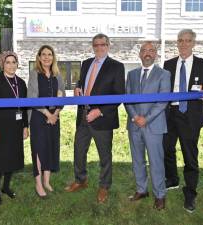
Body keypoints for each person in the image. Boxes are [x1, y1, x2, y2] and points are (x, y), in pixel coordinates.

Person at [64, 33, 125, 203]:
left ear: (108, 46)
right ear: (93, 46)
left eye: (102, 45)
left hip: (102, 118)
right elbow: (82, 83)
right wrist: (77, 88)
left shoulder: (117, 67)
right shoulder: (86, 63)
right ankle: (80, 180)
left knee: (104, 155)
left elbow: (119, 95)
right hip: (83, 115)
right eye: (96, 45)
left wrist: (99, 111)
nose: (99, 48)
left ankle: (104, 186)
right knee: (78, 150)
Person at [163, 29, 203, 213]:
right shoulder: (168, 64)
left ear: (193, 43)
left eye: (187, 40)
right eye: (180, 40)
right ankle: (172, 179)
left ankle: (190, 194)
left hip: (191, 117)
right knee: (167, 148)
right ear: (176, 43)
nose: (183, 44)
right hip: (170, 114)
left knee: (190, 156)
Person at [125, 42, 171, 210]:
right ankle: (141, 190)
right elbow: (127, 98)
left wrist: (147, 119)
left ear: (156, 54)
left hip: (154, 125)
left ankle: (160, 195)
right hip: (134, 124)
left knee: (156, 161)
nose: (147, 53)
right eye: (144, 50)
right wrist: (135, 116)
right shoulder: (131, 74)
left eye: (151, 50)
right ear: (139, 54)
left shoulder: (164, 74)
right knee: (138, 160)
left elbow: (162, 101)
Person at [0, 51, 29, 205]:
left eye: (14, 62)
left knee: (12, 158)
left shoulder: (22, 83)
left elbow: (24, 108)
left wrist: (25, 126)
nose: (11, 65)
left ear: (17, 64)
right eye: (8, 62)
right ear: (2, 64)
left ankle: (6, 187)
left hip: (16, 127)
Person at [27, 45, 66, 198]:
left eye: (49, 54)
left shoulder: (58, 75)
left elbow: (62, 95)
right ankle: (38, 183)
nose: (46, 57)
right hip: (38, 116)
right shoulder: (34, 73)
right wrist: (47, 113)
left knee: (50, 147)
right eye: (43, 54)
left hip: (54, 117)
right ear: (39, 57)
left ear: (53, 57)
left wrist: (55, 113)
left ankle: (46, 181)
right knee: (38, 149)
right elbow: (32, 97)